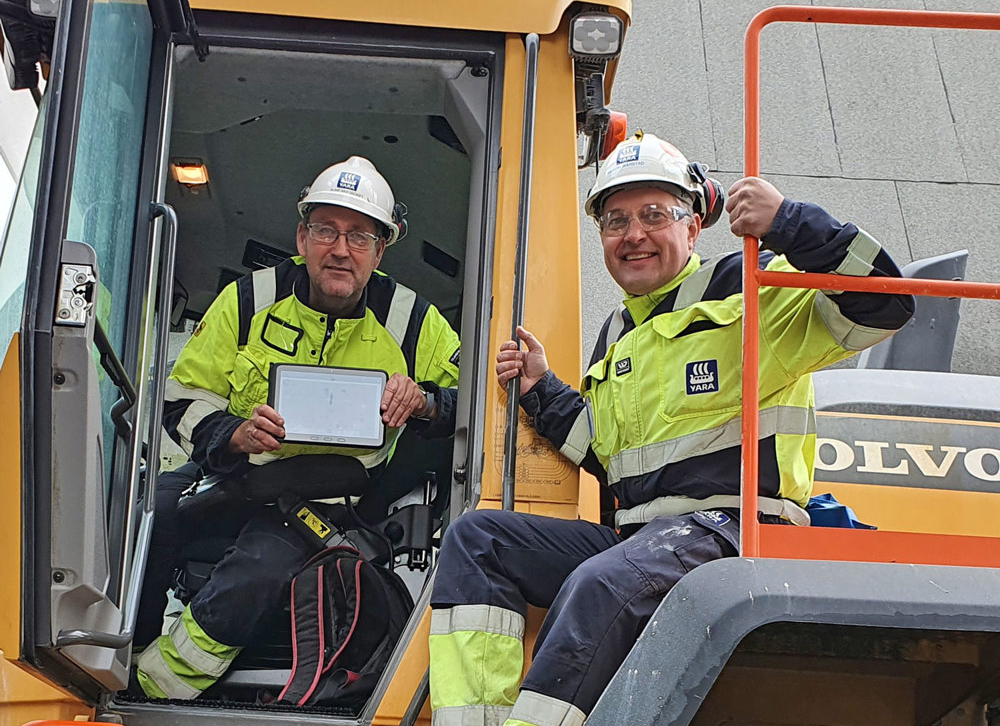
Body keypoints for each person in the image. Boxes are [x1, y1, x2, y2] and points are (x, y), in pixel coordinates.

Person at [426, 132, 914, 726]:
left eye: (654, 215)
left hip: (733, 530)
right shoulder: (616, 337)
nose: (633, 234)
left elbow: (887, 300)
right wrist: (542, 391)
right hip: (643, 539)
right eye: (615, 220)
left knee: (599, 585)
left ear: (693, 225)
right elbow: (609, 457)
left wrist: (788, 221)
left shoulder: (749, 288)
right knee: (477, 541)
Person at [135, 156, 460, 699]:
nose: (340, 249)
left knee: (255, 573)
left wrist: (423, 401)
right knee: (146, 515)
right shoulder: (249, 299)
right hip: (231, 472)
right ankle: (113, 659)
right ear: (301, 237)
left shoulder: (413, 322)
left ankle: (152, 689)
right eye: (326, 230)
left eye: (360, 236)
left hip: (325, 500)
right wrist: (232, 434)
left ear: (381, 252)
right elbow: (181, 397)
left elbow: (473, 404)